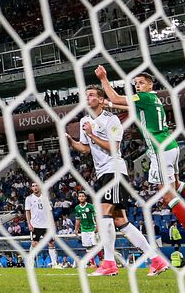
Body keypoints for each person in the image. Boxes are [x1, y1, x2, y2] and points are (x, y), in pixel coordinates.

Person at [66, 85, 168, 276]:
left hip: (114, 171)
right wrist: (72, 143)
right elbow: (86, 149)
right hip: (102, 173)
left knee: (102, 214)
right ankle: (156, 260)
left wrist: (91, 134)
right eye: (85, 95)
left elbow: (113, 147)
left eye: (91, 95)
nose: (87, 98)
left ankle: (109, 263)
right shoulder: (85, 121)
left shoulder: (111, 119)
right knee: (120, 220)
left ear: (101, 99)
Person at [96, 66, 185, 248]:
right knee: (176, 186)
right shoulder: (152, 99)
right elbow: (124, 105)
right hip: (170, 146)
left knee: (167, 196)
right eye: (135, 83)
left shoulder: (144, 97)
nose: (137, 85)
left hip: (160, 150)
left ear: (150, 84)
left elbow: (116, 97)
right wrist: (110, 105)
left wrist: (104, 79)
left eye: (141, 83)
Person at [25, 182, 62, 269]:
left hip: (47, 225)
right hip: (35, 225)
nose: (35, 188)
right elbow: (27, 211)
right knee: (34, 244)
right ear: (31, 188)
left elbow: (49, 212)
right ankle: (31, 262)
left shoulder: (45, 198)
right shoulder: (29, 198)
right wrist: (29, 224)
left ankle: (54, 264)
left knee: (51, 243)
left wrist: (52, 224)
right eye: (33, 186)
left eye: (36, 186)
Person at [74, 191, 102, 267]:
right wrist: (76, 229)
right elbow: (77, 219)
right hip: (84, 230)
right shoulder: (77, 208)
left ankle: (101, 261)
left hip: (93, 228)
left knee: (96, 246)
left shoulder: (90, 206)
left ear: (85, 197)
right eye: (79, 196)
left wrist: (97, 226)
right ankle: (92, 263)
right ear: (78, 198)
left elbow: (96, 216)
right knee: (88, 247)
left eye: (83, 196)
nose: (81, 197)